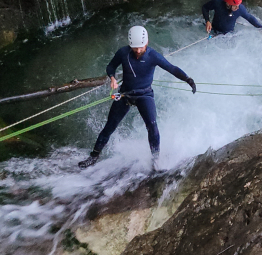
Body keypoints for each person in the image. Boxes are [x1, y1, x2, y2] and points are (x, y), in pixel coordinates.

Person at [78, 26, 196, 169]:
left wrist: (188, 79)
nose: (138, 51)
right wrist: (112, 78)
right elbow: (111, 66)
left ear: (146, 43)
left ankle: (155, 160)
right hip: (125, 94)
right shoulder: (123, 53)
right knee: (109, 126)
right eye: (135, 48)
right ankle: (93, 156)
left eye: (141, 47)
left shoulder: (153, 56)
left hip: (144, 95)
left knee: (152, 125)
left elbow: (172, 68)